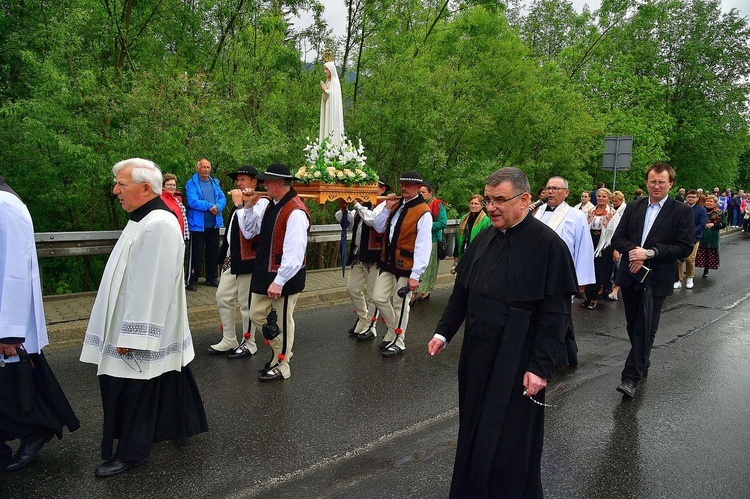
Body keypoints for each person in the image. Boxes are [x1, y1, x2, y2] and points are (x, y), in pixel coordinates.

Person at [427, 167, 577, 498]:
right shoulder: (484, 236)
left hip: (518, 353)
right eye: (488, 199)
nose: (491, 207)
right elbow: (461, 293)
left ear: (524, 200)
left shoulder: (548, 245)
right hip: (477, 352)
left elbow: (555, 315)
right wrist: (443, 332)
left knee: (509, 436)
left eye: (499, 200)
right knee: (473, 424)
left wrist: (540, 367)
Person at [80, 158, 208, 477]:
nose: (115, 191)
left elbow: (151, 284)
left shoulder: (159, 224)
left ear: (145, 188)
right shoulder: (143, 218)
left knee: (135, 386)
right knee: (167, 376)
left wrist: (134, 337)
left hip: (142, 326)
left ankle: (133, 452)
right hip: (134, 319)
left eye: (121, 185)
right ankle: (180, 425)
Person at [0, 176, 80, 472]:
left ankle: (36, 430)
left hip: (7, 324)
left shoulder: (6, 205)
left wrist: (9, 330)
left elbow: (15, 269)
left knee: (16, 385)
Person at [611, 162, 694, 398]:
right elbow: (618, 239)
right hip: (631, 273)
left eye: (661, 182)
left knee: (645, 326)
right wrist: (635, 252)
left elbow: (684, 247)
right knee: (632, 323)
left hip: (657, 278)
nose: (656, 185)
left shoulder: (682, 212)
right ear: (647, 182)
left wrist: (650, 253)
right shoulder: (634, 207)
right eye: (653, 181)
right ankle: (643, 360)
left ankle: (630, 378)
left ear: (670, 184)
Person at [240, 164, 311, 381]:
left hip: (285, 276)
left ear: (280, 183)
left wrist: (279, 281)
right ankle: (282, 352)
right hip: (268, 272)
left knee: (282, 319)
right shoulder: (274, 204)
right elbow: (250, 231)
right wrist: (249, 206)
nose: (264, 185)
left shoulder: (295, 211)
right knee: (256, 314)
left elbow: (295, 254)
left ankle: (282, 364)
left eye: (268, 181)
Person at [534, 176, 595, 366]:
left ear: (566, 193)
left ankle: (557, 357)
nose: (550, 191)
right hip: (536, 273)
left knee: (557, 316)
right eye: (548, 188)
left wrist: (581, 280)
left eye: (555, 188)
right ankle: (561, 353)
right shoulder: (535, 213)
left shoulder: (575, 216)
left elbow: (583, 247)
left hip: (561, 274)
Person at [372, 170, 432, 357]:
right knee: (378, 297)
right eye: (403, 184)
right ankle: (392, 330)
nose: (404, 188)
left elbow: (423, 245)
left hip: (407, 265)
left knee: (400, 303)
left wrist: (416, 274)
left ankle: (399, 340)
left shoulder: (423, 212)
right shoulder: (396, 205)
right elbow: (379, 227)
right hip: (389, 262)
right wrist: (386, 208)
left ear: (418, 188)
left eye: (409, 185)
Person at [209, 166, 267, 358]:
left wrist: (242, 205)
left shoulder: (261, 202)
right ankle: (228, 339)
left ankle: (249, 342)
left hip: (249, 260)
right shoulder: (240, 201)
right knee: (223, 297)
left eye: (243, 180)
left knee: (245, 303)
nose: (239, 183)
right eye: (238, 180)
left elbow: (250, 230)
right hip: (232, 260)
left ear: (254, 183)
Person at [336, 178, 389, 341]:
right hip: (358, 253)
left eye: (375, 187)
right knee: (352, 288)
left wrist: (357, 205)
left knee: (372, 293)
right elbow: (348, 223)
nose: (370, 189)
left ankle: (371, 327)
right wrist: (345, 209)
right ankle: (363, 318)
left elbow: (373, 221)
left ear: (382, 189)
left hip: (374, 255)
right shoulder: (364, 204)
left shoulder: (384, 205)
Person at [185, 157, 227, 291]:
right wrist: (210, 206)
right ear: (198, 168)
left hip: (213, 224)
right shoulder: (191, 183)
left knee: (213, 252)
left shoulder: (215, 182)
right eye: (203, 167)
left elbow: (222, 198)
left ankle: (211, 278)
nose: (206, 169)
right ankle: (192, 280)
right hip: (198, 225)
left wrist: (218, 207)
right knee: (196, 254)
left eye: (208, 167)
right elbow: (192, 201)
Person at [582, 188, 616, 309]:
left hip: (605, 245)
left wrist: (616, 250)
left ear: (608, 198)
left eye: (604, 196)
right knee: (589, 268)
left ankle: (595, 297)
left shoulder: (612, 213)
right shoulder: (590, 211)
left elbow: (616, 233)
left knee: (601, 271)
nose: (601, 198)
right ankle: (587, 295)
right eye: (599, 196)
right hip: (591, 242)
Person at [414, 182, 447, 302]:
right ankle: (415, 290)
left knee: (429, 267)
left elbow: (443, 222)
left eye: (423, 192)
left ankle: (425, 290)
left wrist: (426, 226)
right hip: (417, 240)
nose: (421, 194)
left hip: (432, 240)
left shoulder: (437, 204)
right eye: (419, 192)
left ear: (430, 193)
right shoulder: (417, 204)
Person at [674, 190, 707, 290]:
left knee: (690, 259)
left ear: (697, 198)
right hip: (680, 238)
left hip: (694, 238)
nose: (691, 199)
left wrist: (690, 233)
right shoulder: (681, 208)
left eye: (693, 197)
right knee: (678, 259)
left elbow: (702, 225)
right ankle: (678, 279)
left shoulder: (701, 210)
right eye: (689, 197)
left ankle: (689, 277)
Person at [452, 194, 491, 273]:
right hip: (463, 252)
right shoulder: (464, 218)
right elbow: (459, 235)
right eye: (471, 203)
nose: (473, 206)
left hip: (476, 253)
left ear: (481, 205)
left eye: (476, 204)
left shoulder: (486, 220)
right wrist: (456, 254)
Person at [601, 191, 627, 301]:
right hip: (610, 240)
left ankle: (615, 291)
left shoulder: (625, 210)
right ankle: (608, 288)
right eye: (613, 201)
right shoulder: (611, 210)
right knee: (611, 267)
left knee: (619, 267)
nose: (614, 203)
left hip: (622, 240)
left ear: (622, 200)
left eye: (616, 201)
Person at [695, 194, 727, 278]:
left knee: (708, 254)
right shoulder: (701, 211)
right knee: (695, 253)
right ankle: (690, 271)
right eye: (707, 201)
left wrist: (713, 224)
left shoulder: (719, 213)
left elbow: (724, 224)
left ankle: (706, 270)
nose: (708, 203)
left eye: (711, 201)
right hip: (700, 234)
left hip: (712, 236)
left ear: (715, 203)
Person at [319, 60, 344, 146]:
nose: (325, 71)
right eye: (324, 69)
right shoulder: (328, 81)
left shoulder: (335, 82)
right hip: (328, 109)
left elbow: (335, 96)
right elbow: (326, 97)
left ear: (331, 70)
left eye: (327, 69)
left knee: (332, 127)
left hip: (333, 111)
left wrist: (325, 89)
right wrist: (325, 91)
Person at [160, 173, 189, 240]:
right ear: (163, 186)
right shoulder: (160, 199)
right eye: (169, 185)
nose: (172, 187)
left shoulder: (177, 199)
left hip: (178, 234)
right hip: (167, 235)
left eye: (174, 185)